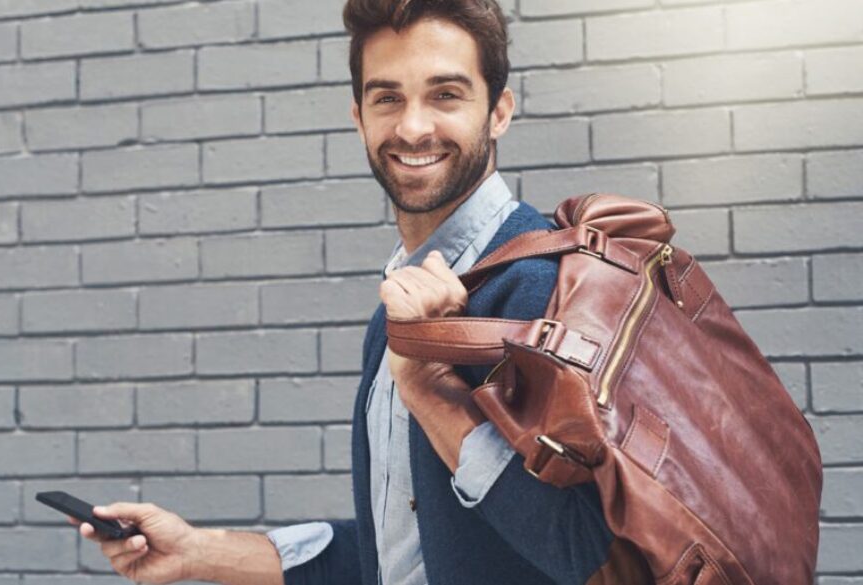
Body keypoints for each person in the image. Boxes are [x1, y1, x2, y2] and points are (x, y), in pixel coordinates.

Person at [74, 1, 618, 583]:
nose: (412, 127)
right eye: (387, 98)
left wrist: (430, 389)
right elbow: (405, 551)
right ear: (359, 117)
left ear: (499, 111)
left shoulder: (542, 290)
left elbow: (591, 556)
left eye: (445, 95)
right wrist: (198, 551)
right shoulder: (395, 314)